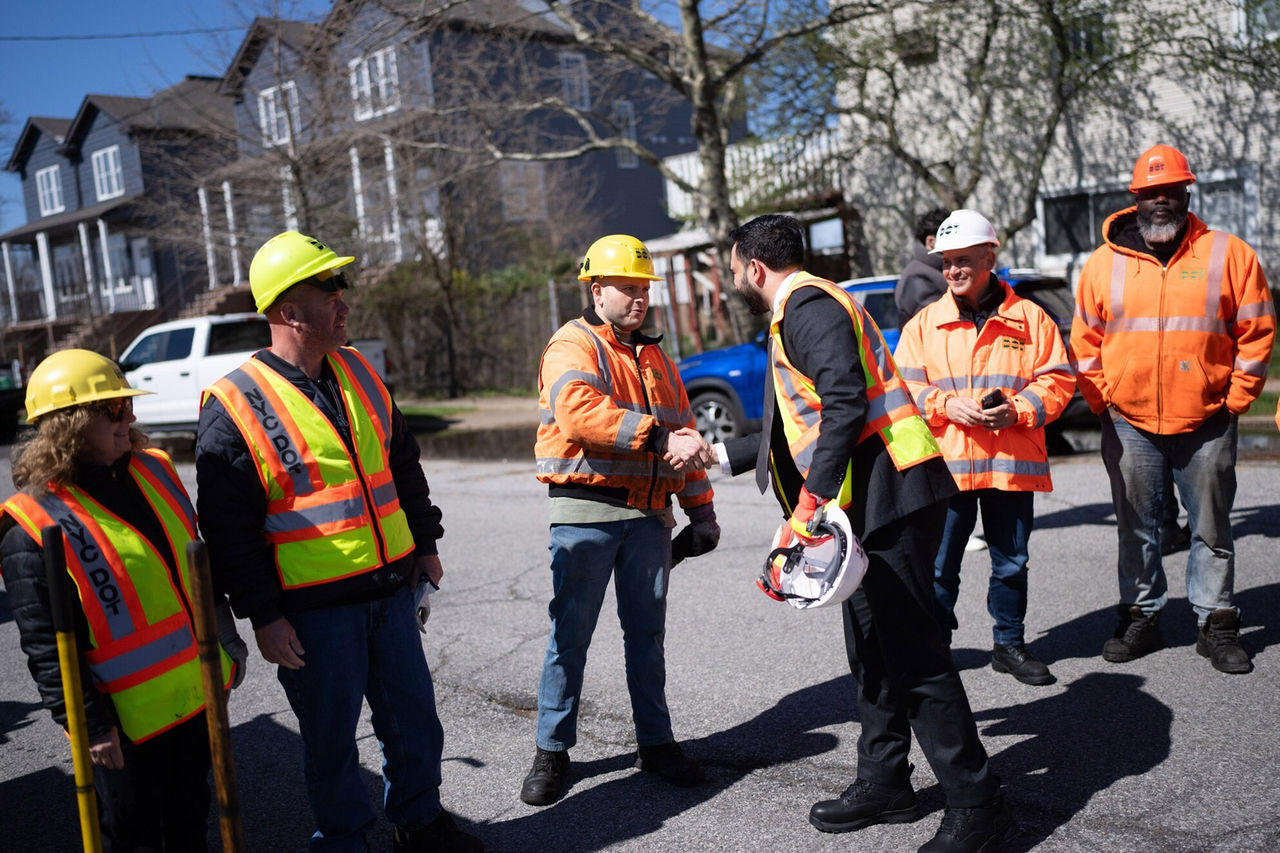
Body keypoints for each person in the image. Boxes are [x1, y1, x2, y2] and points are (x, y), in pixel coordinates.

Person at [718, 214, 1013, 853]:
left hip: (893, 496)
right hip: (869, 502)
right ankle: (886, 782)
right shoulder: (799, 309)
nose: (732, 277)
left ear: (753, 266)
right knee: (873, 649)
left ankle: (977, 802)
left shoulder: (807, 308)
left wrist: (809, 504)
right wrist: (722, 455)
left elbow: (846, 402)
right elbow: (798, 414)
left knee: (915, 656)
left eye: (733, 266)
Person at [194, 231, 482, 852]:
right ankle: (345, 840)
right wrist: (265, 617)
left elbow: (401, 461)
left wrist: (425, 543)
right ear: (290, 311)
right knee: (329, 742)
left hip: (391, 588)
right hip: (313, 612)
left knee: (413, 723)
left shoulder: (357, 371)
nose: (345, 300)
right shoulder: (234, 404)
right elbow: (228, 533)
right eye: (330, 288)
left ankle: (419, 822)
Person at [1, 348, 247, 852]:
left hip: (195, 697)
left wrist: (226, 640)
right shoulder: (31, 524)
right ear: (67, 425)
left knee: (191, 820)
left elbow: (196, 570)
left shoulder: (154, 470)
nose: (130, 417)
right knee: (133, 837)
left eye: (127, 405)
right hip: (124, 728)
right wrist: (90, 726)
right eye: (114, 409)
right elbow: (47, 648)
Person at [521, 234, 720, 807]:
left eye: (644, 289)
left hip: (649, 515)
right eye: (628, 289)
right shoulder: (572, 345)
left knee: (647, 638)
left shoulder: (655, 357)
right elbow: (581, 413)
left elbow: (685, 435)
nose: (639, 299)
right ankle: (552, 750)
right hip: (587, 512)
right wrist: (658, 436)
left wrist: (701, 511)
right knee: (570, 635)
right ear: (596, 288)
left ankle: (656, 744)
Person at [1070, 144, 1275, 675]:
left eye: (1170, 191)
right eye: (1150, 193)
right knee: (1136, 526)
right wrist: (1102, 403)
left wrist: (1235, 400)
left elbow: (1256, 333)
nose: (1161, 201)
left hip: (1207, 418)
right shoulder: (1104, 263)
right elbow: (1085, 342)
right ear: (1134, 198)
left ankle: (1216, 621)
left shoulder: (1229, 254)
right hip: (1129, 420)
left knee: (1212, 526)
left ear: (1187, 192)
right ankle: (1141, 615)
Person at [895, 209, 1076, 686]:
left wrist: (1018, 408)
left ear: (989, 256)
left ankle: (1009, 646)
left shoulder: (1031, 319)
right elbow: (904, 388)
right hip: (947, 467)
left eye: (963, 260)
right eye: (946, 261)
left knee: (1011, 563)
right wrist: (945, 406)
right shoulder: (923, 325)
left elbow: (1058, 381)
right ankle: (935, 653)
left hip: (1009, 464)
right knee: (938, 569)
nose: (953, 270)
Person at [895, 207, 951, 330]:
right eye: (950, 236)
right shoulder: (918, 277)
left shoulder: (933, 270)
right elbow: (938, 326)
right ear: (931, 242)